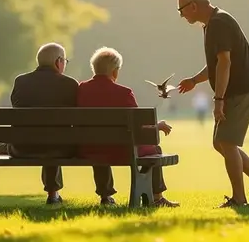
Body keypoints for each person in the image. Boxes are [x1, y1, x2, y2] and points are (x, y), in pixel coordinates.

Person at [175, 0, 249, 207]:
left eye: (181, 10)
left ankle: (239, 199)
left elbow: (225, 62)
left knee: (226, 142)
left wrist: (218, 100)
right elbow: (215, 65)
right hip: (235, 90)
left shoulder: (219, 23)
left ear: (193, 6)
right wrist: (194, 80)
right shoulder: (212, 24)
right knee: (220, 143)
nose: (181, 15)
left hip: (239, 90)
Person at [3, 42, 116, 205]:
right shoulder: (69, 84)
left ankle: (53, 194)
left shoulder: (21, 81)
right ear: (58, 62)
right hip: (61, 148)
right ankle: (105, 196)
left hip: (23, 148)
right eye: (65, 61)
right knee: (77, 140)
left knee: (44, 136)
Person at [77, 46, 179, 207]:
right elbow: (138, 127)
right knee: (154, 149)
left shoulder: (81, 89)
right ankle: (157, 197)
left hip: (89, 147)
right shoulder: (124, 92)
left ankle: (105, 196)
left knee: (99, 145)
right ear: (115, 72)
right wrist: (156, 126)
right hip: (123, 149)